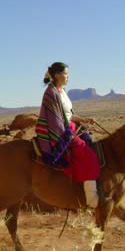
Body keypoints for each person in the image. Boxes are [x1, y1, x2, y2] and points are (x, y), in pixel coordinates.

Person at [35, 62, 103, 208]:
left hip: (69, 127)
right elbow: (55, 121)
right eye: (66, 73)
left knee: (91, 144)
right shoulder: (51, 93)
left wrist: (84, 120)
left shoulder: (61, 91)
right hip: (61, 131)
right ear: (58, 75)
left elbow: (68, 115)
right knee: (88, 155)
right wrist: (67, 135)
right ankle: (92, 200)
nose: (68, 77)